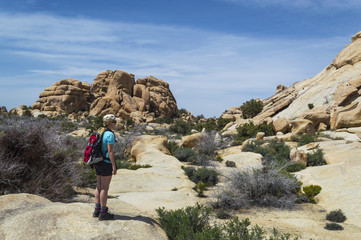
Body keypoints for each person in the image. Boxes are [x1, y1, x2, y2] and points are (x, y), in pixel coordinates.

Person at [93, 114, 119, 220]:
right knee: (104, 188)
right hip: (106, 162)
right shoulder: (110, 135)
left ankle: (97, 209)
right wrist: (114, 166)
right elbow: (110, 151)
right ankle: (103, 212)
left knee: (98, 186)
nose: (116, 124)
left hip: (97, 161)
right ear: (110, 123)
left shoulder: (100, 131)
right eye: (115, 122)